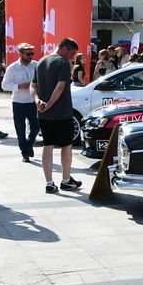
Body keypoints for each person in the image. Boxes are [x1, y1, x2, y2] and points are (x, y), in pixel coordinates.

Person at [34, 37, 83, 194]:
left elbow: (33, 85)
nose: (73, 57)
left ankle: (49, 182)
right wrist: (49, 104)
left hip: (43, 114)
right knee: (66, 146)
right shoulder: (62, 62)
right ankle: (66, 180)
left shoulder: (41, 61)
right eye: (72, 53)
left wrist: (37, 101)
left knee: (47, 146)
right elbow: (60, 87)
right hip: (62, 113)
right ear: (64, 49)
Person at [3, 42, 40, 163]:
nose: (31, 56)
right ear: (20, 54)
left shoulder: (36, 65)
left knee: (36, 127)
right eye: (28, 54)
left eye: (32, 53)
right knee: (20, 130)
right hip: (18, 102)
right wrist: (19, 86)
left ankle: (29, 144)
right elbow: (4, 85)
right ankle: (25, 153)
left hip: (32, 101)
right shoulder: (12, 68)